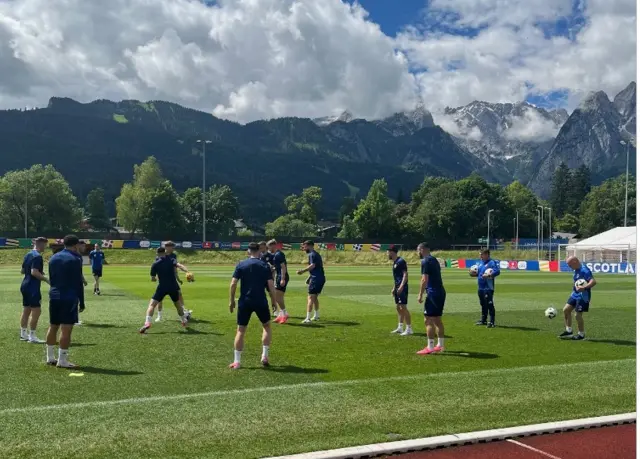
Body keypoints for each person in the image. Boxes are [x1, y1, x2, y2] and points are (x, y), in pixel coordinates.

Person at [228, 242, 277, 369]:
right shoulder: (264, 265)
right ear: (259, 251)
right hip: (260, 300)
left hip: (245, 300)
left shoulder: (241, 264)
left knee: (241, 330)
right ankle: (264, 355)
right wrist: (274, 301)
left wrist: (232, 300)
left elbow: (233, 284)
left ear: (249, 251)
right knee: (266, 326)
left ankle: (237, 361)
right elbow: (271, 285)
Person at [45, 235, 84, 368]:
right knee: (66, 328)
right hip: (68, 296)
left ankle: (50, 357)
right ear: (75, 245)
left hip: (54, 294)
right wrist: (82, 301)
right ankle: (62, 360)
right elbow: (78, 282)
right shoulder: (75, 258)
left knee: (53, 325)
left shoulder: (53, 257)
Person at [139, 247, 190, 334]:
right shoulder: (172, 259)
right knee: (178, 305)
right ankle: (183, 320)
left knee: (152, 305)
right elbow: (179, 265)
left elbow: (153, 278)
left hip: (162, 287)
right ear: (165, 252)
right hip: (173, 287)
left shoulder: (155, 264)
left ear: (157, 253)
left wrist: (155, 278)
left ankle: (147, 323)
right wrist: (187, 272)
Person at [416, 243, 446, 355]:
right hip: (441, 292)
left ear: (422, 249)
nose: (417, 252)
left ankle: (430, 347)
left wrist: (420, 294)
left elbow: (424, 279)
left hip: (433, 293)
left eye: (418, 250)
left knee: (428, 319)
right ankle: (440, 345)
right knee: (437, 320)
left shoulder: (425, 261)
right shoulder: (434, 260)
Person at [20, 237, 50, 343]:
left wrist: (39, 272)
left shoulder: (28, 254)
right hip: (32, 286)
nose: (46, 247)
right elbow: (34, 272)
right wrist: (46, 279)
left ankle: (23, 333)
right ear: (41, 244)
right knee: (36, 310)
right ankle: (32, 336)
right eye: (45, 245)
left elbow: (23, 271)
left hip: (24, 284)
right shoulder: (37, 256)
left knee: (26, 310)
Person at [559, 256, 596, 340]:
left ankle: (581, 334)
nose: (569, 266)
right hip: (575, 294)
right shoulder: (576, 269)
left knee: (577, 315)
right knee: (566, 310)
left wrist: (584, 288)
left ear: (575, 261)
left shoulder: (584, 270)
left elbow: (593, 281)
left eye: (570, 264)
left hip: (583, 296)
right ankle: (569, 331)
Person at [156, 241, 191, 322]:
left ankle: (183, 311)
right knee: (159, 299)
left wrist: (178, 278)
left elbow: (175, 267)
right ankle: (159, 316)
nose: (173, 248)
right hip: (163, 281)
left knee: (179, 294)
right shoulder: (160, 255)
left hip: (172, 280)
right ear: (167, 247)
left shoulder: (173, 255)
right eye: (172, 247)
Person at [297, 240, 326, 323]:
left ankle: (308, 318)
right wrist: (309, 277)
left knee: (310, 297)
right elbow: (317, 267)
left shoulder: (312, 254)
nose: (304, 248)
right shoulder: (315, 254)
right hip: (320, 278)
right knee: (315, 297)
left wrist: (302, 271)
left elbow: (312, 266)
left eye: (305, 246)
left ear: (310, 246)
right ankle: (316, 315)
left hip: (316, 279)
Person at [388, 246, 412, 335]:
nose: (387, 254)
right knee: (398, 307)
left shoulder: (401, 261)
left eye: (388, 252)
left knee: (403, 307)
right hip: (398, 286)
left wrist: (401, 286)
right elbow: (397, 278)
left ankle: (409, 328)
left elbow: (405, 275)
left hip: (402, 287)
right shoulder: (395, 262)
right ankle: (400, 327)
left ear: (392, 252)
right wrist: (394, 287)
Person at [475, 249, 501, 328]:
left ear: (487, 254)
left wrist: (489, 275)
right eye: (480, 254)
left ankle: (492, 322)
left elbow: (497, 271)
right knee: (483, 304)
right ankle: (484, 320)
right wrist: (474, 274)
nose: (480, 256)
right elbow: (479, 274)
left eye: (481, 254)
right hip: (481, 287)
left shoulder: (492, 262)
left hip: (488, 288)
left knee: (489, 304)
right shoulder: (480, 263)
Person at [268, 239, 290, 323]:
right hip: (279, 276)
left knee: (277, 297)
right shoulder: (276, 254)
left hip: (281, 276)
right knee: (278, 297)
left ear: (273, 245)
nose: (268, 249)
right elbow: (277, 267)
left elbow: (283, 267)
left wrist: (282, 279)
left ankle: (284, 314)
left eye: (269, 247)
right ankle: (281, 315)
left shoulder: (278, 254)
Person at [259, 241, 277, 316]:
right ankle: (262, 309)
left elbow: (275, 266)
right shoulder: (258, 256)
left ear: (264, 246)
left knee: (272, 294)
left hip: (269, 278)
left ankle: (275, 310)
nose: (259, 248)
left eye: (261, 246)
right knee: (260, 294)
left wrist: (272, 269)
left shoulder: (271, 256)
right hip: (260, 278)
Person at [73, 240, 89, 326]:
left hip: (78, 280)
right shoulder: (76, 256)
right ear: (78, 245)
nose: (84, 248)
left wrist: (83, 279)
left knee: (77, 299)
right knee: (75, 299)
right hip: (75, 281)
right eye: (83, 246)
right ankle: (74, 319)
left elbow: (79, 270)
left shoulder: (79, 256)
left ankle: (75, 319)